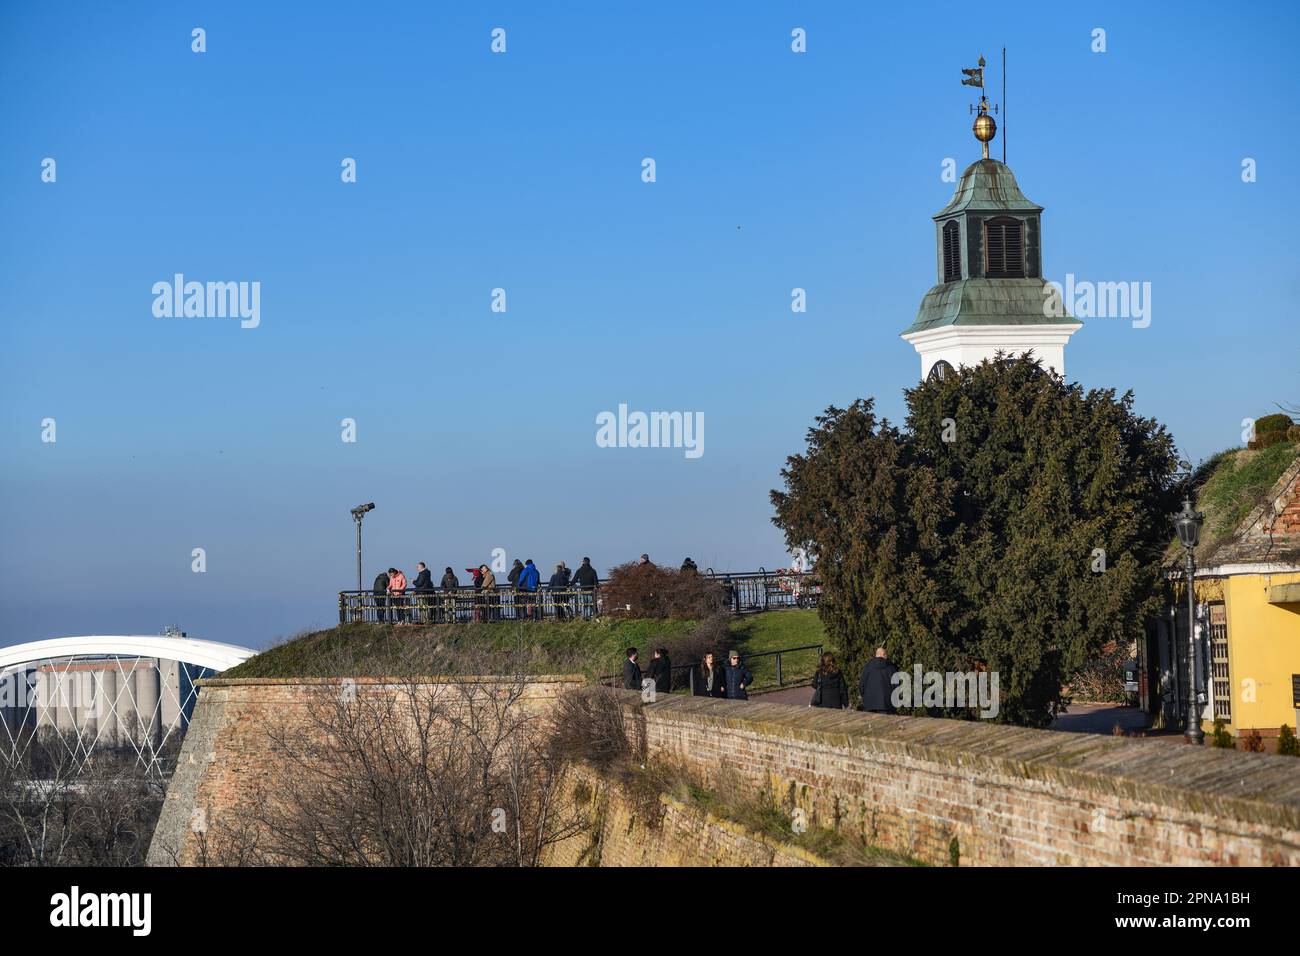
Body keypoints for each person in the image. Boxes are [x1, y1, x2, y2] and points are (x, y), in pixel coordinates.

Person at [859, 646, 900, 714]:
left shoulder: (868, 667)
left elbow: (862, 685)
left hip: (870, 704)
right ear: (884, 654)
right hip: (886, 704)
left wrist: (866, 698)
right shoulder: (890, 668)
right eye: (886, 654)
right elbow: (896, 687)